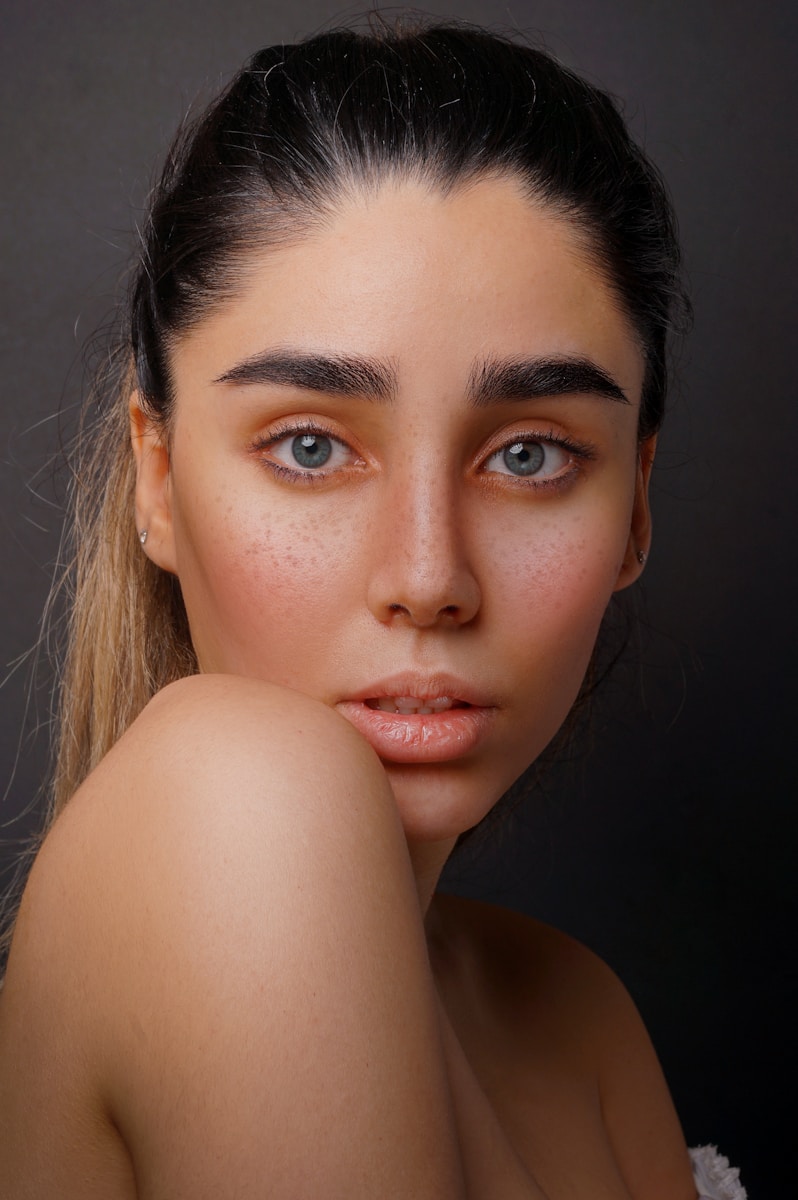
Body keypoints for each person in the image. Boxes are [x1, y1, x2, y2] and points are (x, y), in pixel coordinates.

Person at [0, 19, 745, 1199]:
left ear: (636, 508)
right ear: (159, 477)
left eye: (532, 457)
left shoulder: (576, 1018)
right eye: (310, 445)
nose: (429, 575)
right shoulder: (238, 795)